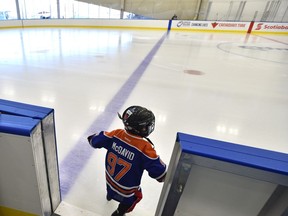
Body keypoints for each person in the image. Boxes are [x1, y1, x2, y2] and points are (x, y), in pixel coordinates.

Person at [87, 105, 167, 216]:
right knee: (136, 197)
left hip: (110, 180)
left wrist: (93, 138)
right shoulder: (145, 147)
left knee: (111, 189)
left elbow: (94, 141)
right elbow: (160, 174)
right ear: (142, 128)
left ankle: (109, 196)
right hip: (127, 191)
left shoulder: (116, 134)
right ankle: (120, 212)